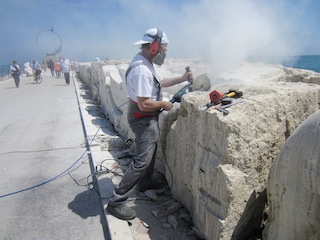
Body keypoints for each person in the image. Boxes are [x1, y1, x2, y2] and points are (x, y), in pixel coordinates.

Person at [106, 28, 193, 220]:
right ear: (154, 47)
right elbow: (145, 104)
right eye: (164, 48)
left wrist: (181, 78)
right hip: (142, 118)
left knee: (151, 151)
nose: (165, 52)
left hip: (144, 116)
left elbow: (159, 82)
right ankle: (116, 201)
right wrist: (164, 104)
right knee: (142, 160)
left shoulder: (145, 63)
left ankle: (145, 182)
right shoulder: (141, 71)